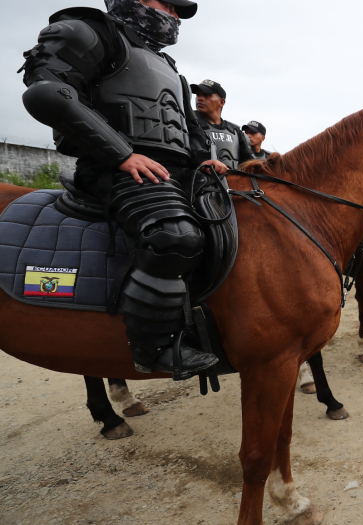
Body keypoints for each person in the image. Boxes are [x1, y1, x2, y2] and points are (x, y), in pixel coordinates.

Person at [20, 0, 228, 377]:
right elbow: (48, 92)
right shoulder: (87, 30)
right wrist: (122, 154)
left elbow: (188, 129)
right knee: (174, 235)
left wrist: (203, 160)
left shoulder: (169, 66)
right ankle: (155, 348)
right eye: (167, 4)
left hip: (174, 172)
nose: (174, 15)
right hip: (116, 169)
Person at [191, 79, 253, 169]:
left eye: (206, 95)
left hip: (232, 182)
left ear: (221, 102)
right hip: (198, 181)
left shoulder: (236, 132)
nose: (200, 98)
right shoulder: (188, 122)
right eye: (198, 95)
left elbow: (250, 165)